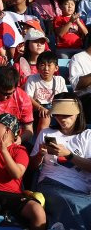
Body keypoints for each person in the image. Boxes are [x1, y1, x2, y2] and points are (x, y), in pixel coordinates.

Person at [29, 93, 91, 229]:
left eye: (66, 115)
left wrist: (69, 155)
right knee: (72, 204)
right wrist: (40, 155)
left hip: (81, 190)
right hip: (51, 183)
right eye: (58, 115)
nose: (61, 119)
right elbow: (32, 167)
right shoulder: (47, 133)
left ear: (77, 113)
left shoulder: (87, 136)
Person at [0, 114, 46, 229]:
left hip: (14, 195)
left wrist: (4, 151)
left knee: (38, 212)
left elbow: (17, 174)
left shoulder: (20, 150)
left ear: (7, 130)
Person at [25, 51, 67, 135]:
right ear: (37, 67)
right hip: (38, 110)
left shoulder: (60, 80)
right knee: (45, 116)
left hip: (55, 109)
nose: (46, 69)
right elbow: (28, 97)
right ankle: (40, 142)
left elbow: (64, 97)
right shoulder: (32, 79)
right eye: (42, 65)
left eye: (49, 65)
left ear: (56, 68)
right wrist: (40, 108)